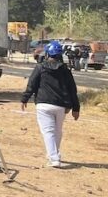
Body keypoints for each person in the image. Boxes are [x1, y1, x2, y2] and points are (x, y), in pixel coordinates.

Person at [21, 40, 80, 168]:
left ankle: (54, 158)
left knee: (48, 132)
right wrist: (76, 108)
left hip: (43, 105)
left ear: (47, 54)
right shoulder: (65, 70)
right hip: (61, 106)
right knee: (57, 131)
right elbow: (72, 90)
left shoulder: (40, 67)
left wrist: (24, 99)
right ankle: (54, 154)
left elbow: (32, 84)